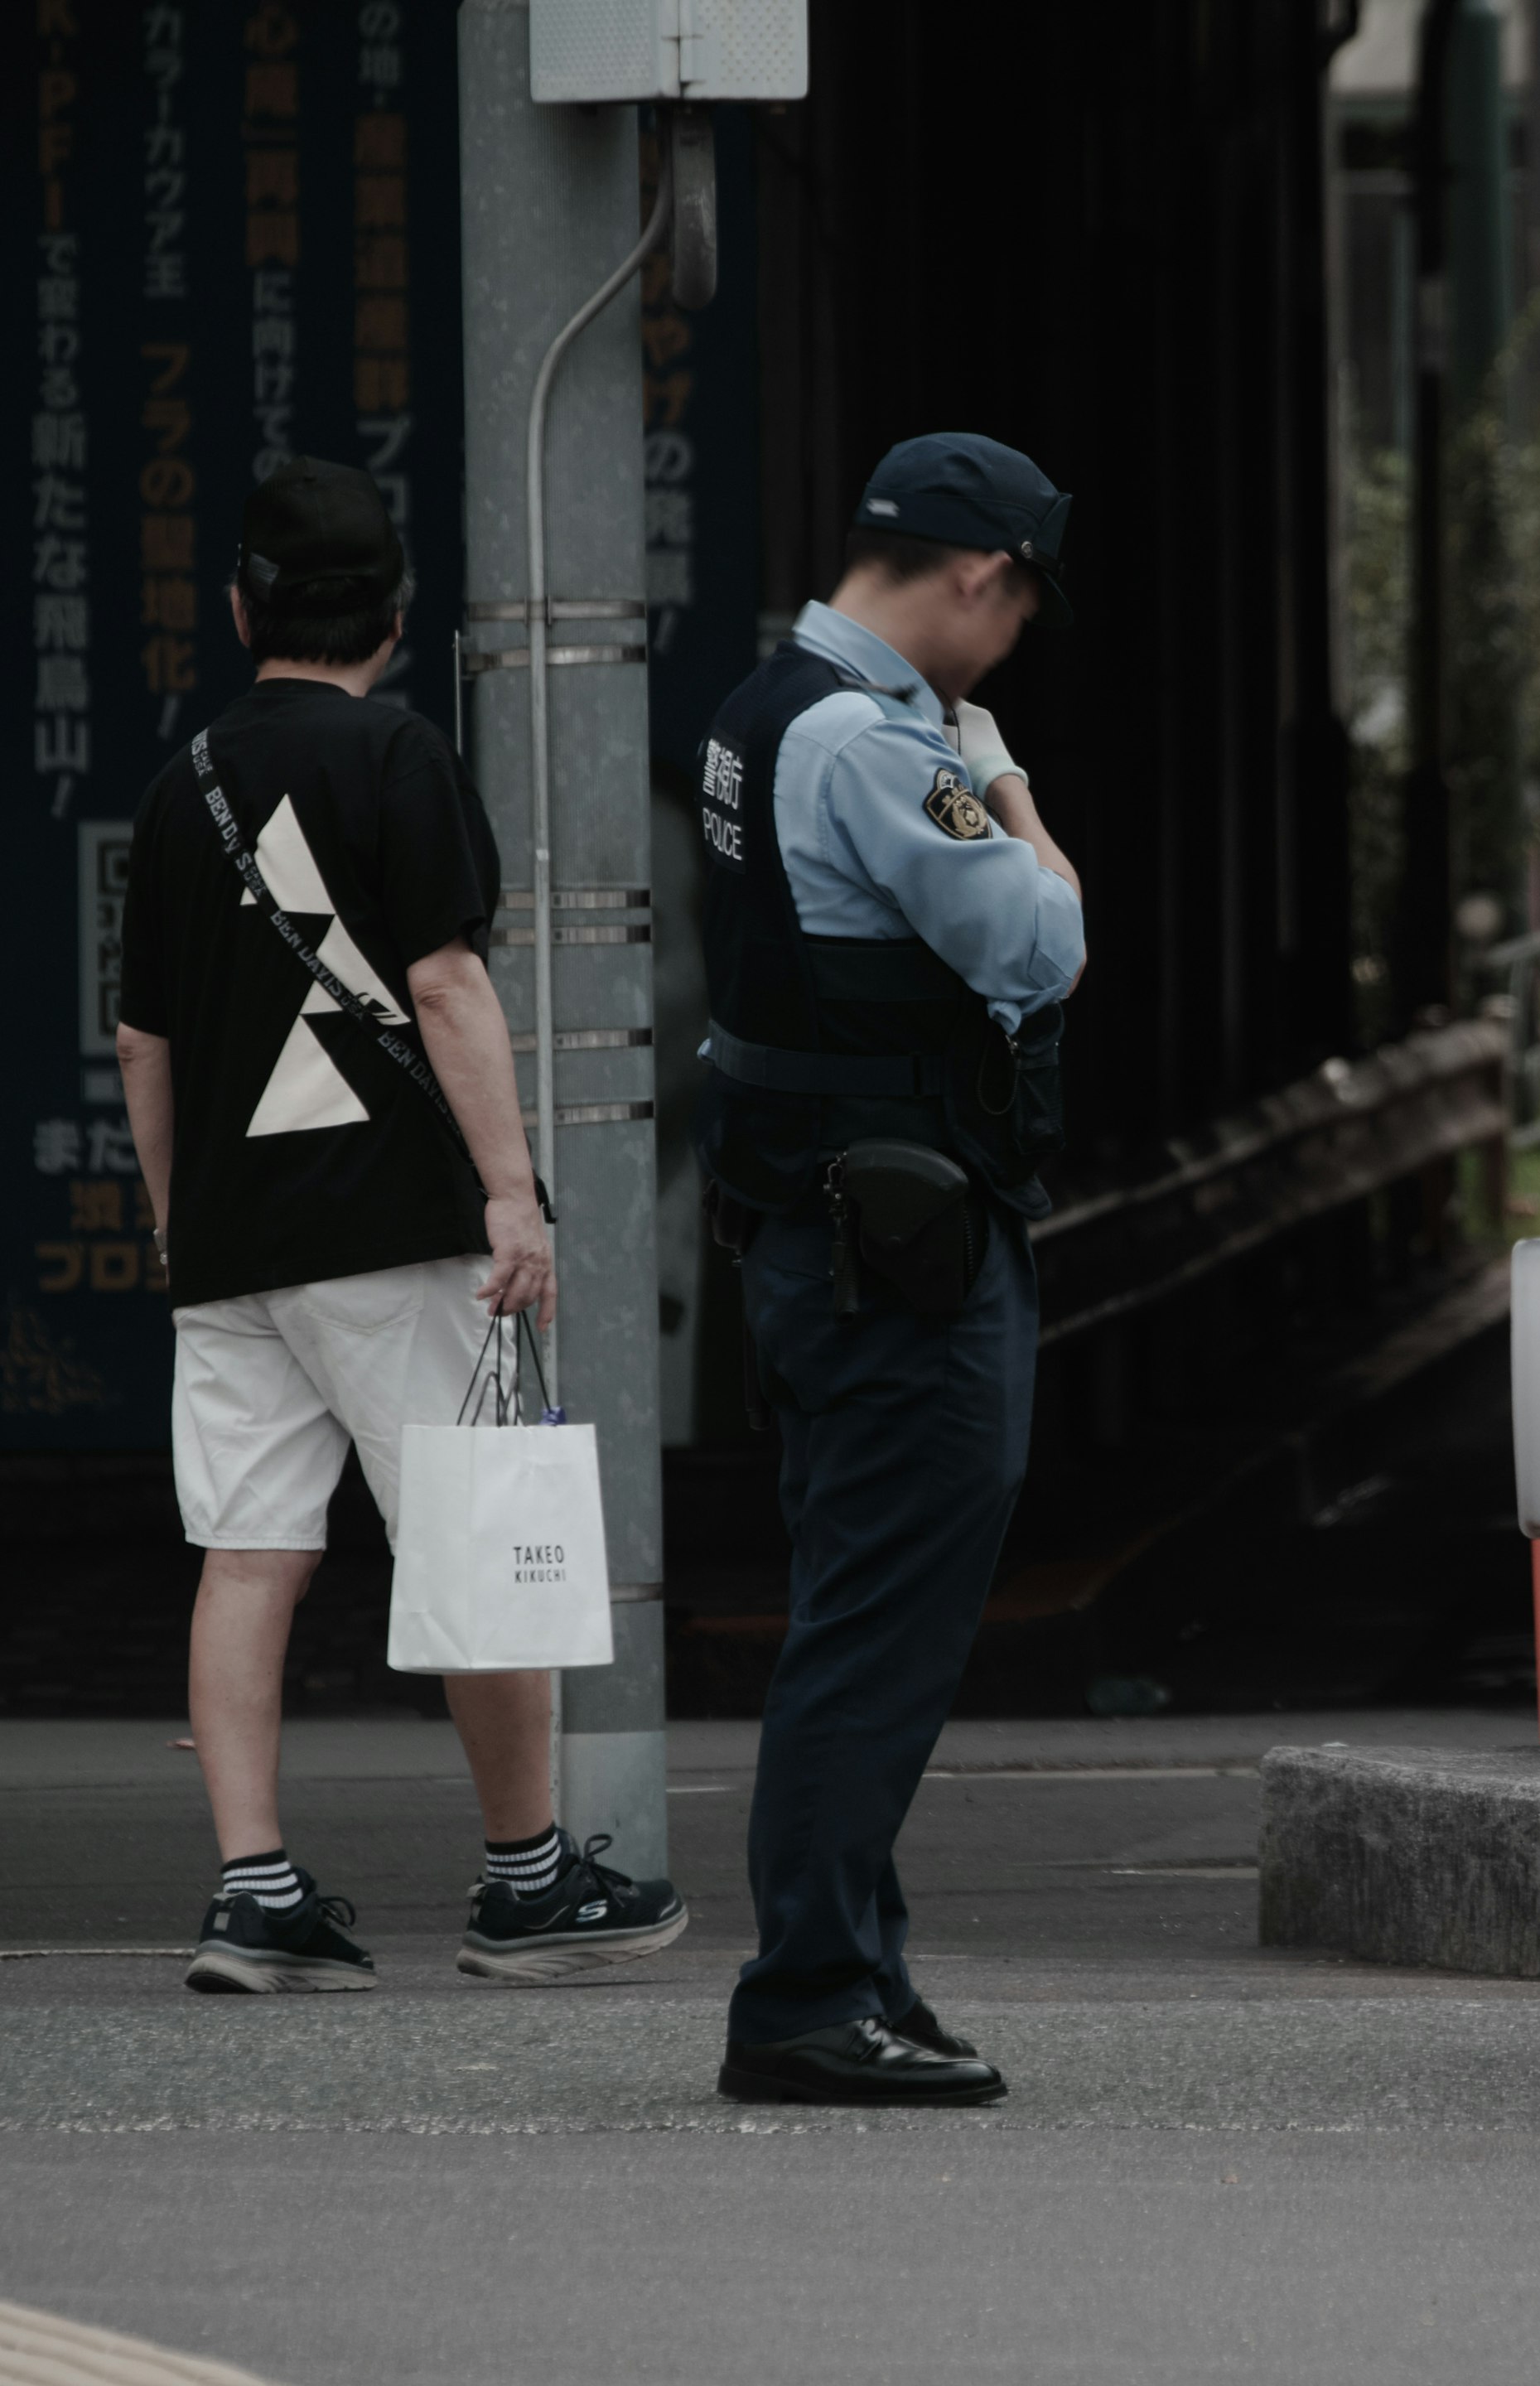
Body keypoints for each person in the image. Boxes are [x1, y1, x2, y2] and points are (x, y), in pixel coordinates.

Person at [118, 456, 688, 1995]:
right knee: (480, 1534)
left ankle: (253, 1889)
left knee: (249, 1558)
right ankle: (525, 1883)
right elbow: (442, 983)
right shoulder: (397, 754)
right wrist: (512, 1188)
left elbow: (145, 1046)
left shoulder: (182, 789)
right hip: (385, 1226)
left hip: (234, 1247)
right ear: (394, 613)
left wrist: (185, 1233)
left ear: (242, 610)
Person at [699, 433, 1083, 2108]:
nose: (1007, 653)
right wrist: (1005, 788)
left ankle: (863, 1967)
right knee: (876, 1629)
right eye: (1015, 614)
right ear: (976, 578)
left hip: (823, 1240)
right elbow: (1044, 941)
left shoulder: (758, 705)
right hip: (898, 1264)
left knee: (861, 1610)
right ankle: (802, 1994)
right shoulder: (874, 743)